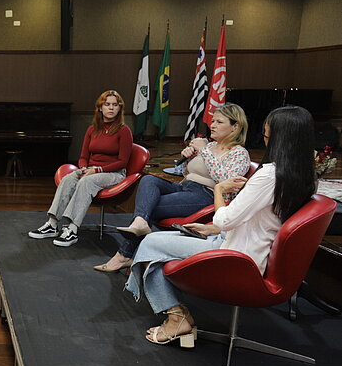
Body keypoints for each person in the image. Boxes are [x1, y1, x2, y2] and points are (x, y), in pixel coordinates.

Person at [125, 106, 317, 347]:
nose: (264, 140)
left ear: (280, 139)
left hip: (236, 255)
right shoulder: (303, 176)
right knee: (163, 240)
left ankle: (176, 317)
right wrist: (213, 230)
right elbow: (257, 221)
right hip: (243, 244)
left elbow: (224, 218)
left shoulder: (268, 176)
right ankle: (175, 314)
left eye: (267, 136)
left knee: (150, 243)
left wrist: (219, 190)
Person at [96, 103, 251, 272]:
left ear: (235, 126)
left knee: (149, 206)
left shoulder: (239, 153)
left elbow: (226, 181)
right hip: (185, 186)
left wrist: (205, 152)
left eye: (219, 122)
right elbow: (188, 173)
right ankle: (139, 225)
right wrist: (188, 159)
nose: (212, 125)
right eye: (212, 121)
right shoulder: (209, 146)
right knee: (149, 180)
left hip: (207, 196)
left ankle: (124, 255)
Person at [28, 90, 133, 247]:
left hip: (113, 173)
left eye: (115, 105)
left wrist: (96, 170)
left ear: (119, 108)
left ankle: (72, 229)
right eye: (107, 104)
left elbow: (122, 162)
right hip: (91, 170)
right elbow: (83, 156)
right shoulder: (92, 129)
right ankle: (52, 224)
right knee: (68, 179)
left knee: (86, 182)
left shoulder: (124, 131)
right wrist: (84, 168)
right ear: (100, 108)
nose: (111, 108)